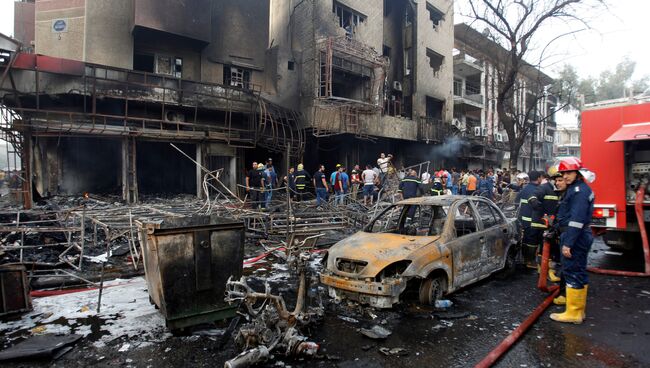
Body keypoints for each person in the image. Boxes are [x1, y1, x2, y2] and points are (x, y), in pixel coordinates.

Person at [550, 157, 595, 324]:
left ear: (577, 172)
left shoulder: (578, 192)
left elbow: (576, 219)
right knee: (579, 271)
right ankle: (577, 310)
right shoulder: (578, 188)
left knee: (572, 272)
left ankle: (574, 313)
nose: (565, 176)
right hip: (577, 235)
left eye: (569, 172)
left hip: (574, 236)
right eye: (563, 173)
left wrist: (568, 243)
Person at [516, 170, 545, 268]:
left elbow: (517, 201)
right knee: (532, 241)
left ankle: (525, 259)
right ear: (538, 178)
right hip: (533, 220)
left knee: (526, 239)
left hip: (523, 219)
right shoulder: (539, 190)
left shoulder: (524, 189)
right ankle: (530, 261)